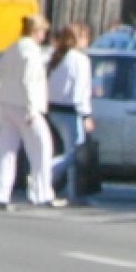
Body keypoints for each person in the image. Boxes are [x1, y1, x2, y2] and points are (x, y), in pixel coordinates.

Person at [0, 14, 55, 210]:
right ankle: (41, 193)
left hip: (6, 102)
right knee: (42, 147)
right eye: (43, 31)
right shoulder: (31, 51)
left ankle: (1, 193)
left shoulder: (13, 47)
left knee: (6, 150)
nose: (44, 36)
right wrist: (31, 108)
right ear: (36, 31)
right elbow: (28, 80)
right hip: (25, 106)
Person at [47, 23, 95, 206]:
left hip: (54, 109)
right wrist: (86, 114)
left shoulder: (58, 57)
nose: (87, 40)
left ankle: (75, 193)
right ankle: (45, 173)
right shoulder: (80, 59)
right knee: (75, 153)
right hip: (72, 110)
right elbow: (81, 89)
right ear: (77, 39)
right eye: (84, 37)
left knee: (72, 152)